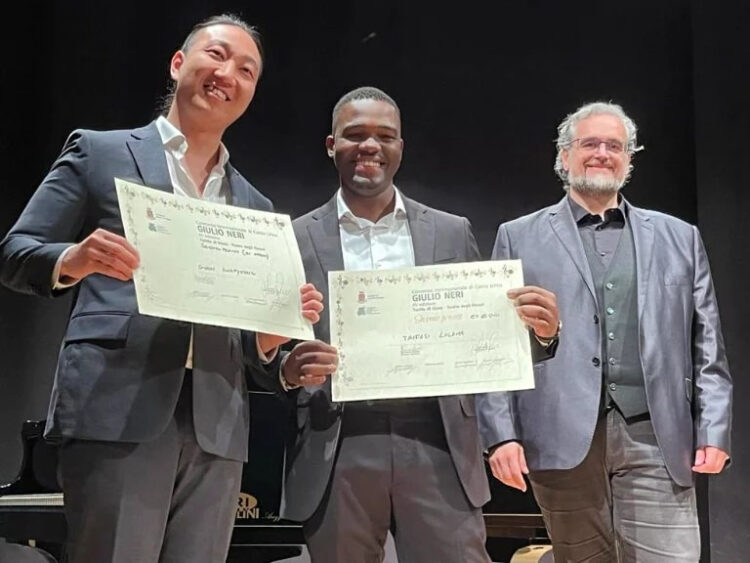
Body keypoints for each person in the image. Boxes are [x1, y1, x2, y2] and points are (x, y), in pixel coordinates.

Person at [0, 14, 322, 563]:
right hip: (118, 409)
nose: (229, 74)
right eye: (217, 55)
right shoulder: (100, 153)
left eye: (247, 70)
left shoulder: (256, 207)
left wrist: (269, 339)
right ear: (178, 63)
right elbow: (15, 253)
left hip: (218, 428)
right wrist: (73, 259)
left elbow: (248, 348)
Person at [278, 86, 560, 562]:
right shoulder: (294, 238)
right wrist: (288, 369)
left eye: (385, 136)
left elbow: (484, 342)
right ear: (331, 145)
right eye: (355, 135)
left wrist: (543, 335)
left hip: (438, 441)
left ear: (400, 148)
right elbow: (271, 350)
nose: (370, 145)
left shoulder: (451, 232)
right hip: (337, 442)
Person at [477, 101, 733, 562]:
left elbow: (707, 345)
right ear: (564, 155)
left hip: (656, 435)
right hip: (559, 438)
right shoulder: (518, 236)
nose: (601, 153)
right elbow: (495, 344)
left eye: (614, 146)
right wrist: (500, 434)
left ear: (629, 159)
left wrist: (713, 429)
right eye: (589, 143)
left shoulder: (679, 237)